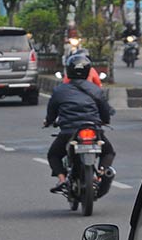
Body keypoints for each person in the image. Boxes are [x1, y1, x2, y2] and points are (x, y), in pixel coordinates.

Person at [45, 54, 115, 193]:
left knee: (53, 154)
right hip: (93, 129)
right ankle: (101, 173)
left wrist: (49, 121)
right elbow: (105, 110)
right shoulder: (96, 89)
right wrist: (105, 121)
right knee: (108, 152)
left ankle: (62, 179)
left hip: (68, 132)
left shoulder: (60, 90)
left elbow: (51, 112)